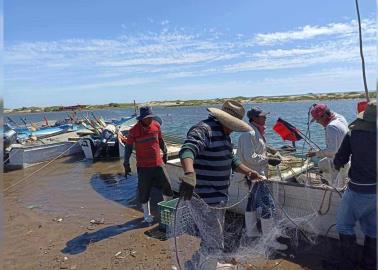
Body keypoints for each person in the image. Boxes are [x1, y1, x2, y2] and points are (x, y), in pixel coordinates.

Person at [178, 100, 263, 269]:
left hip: (219, 199)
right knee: (215, 243)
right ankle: (201, 266)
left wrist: (249, 172)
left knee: (211, 237)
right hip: (204, 198)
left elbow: (231, 159)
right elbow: (188, 149)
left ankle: (196, 265)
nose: (233, 128)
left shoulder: (225, 135)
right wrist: (189, 173)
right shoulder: (204, 129)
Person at [327, 101, 376, 270]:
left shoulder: (353, 134)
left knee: (344, 225)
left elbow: (340, 160)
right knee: (373, 230)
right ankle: (369, 264)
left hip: (357, 189)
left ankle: (349, 263)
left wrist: (336, 165)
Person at [236, 107, 287, 250]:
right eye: (262, 116)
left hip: (253, 175)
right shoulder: (249, 133)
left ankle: (252, 232)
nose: (265, 118)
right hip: (255, 175)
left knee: (251, 203)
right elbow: (249, 156)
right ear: (254, 119)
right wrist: (267, 159)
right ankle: (269, 239)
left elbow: (257, 148)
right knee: (267, 206)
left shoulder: (255, 131)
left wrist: (270, 149)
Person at [123, 106, 173, 223]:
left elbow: (160, 140)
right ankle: (146, 214)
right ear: (141, 119)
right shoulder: (133, 131)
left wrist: (165, 151)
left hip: (158, 164)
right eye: (147, 118)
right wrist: (126, 164)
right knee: (144, 191)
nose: (149, 120)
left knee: (168, 186)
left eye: (151, 117)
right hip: (143, 167)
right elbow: (128, 148)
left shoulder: (156, 126)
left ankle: (167, 212)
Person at [307, 103, 349, 188]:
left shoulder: (331, 127)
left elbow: (332, 151)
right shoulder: (340, 118)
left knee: (337, 189)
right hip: (347, 157)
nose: (317, 122)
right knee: (322, 164)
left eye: (318, 120)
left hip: (340, 163)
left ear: (324, 115)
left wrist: (315, 153)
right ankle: (328, 180)